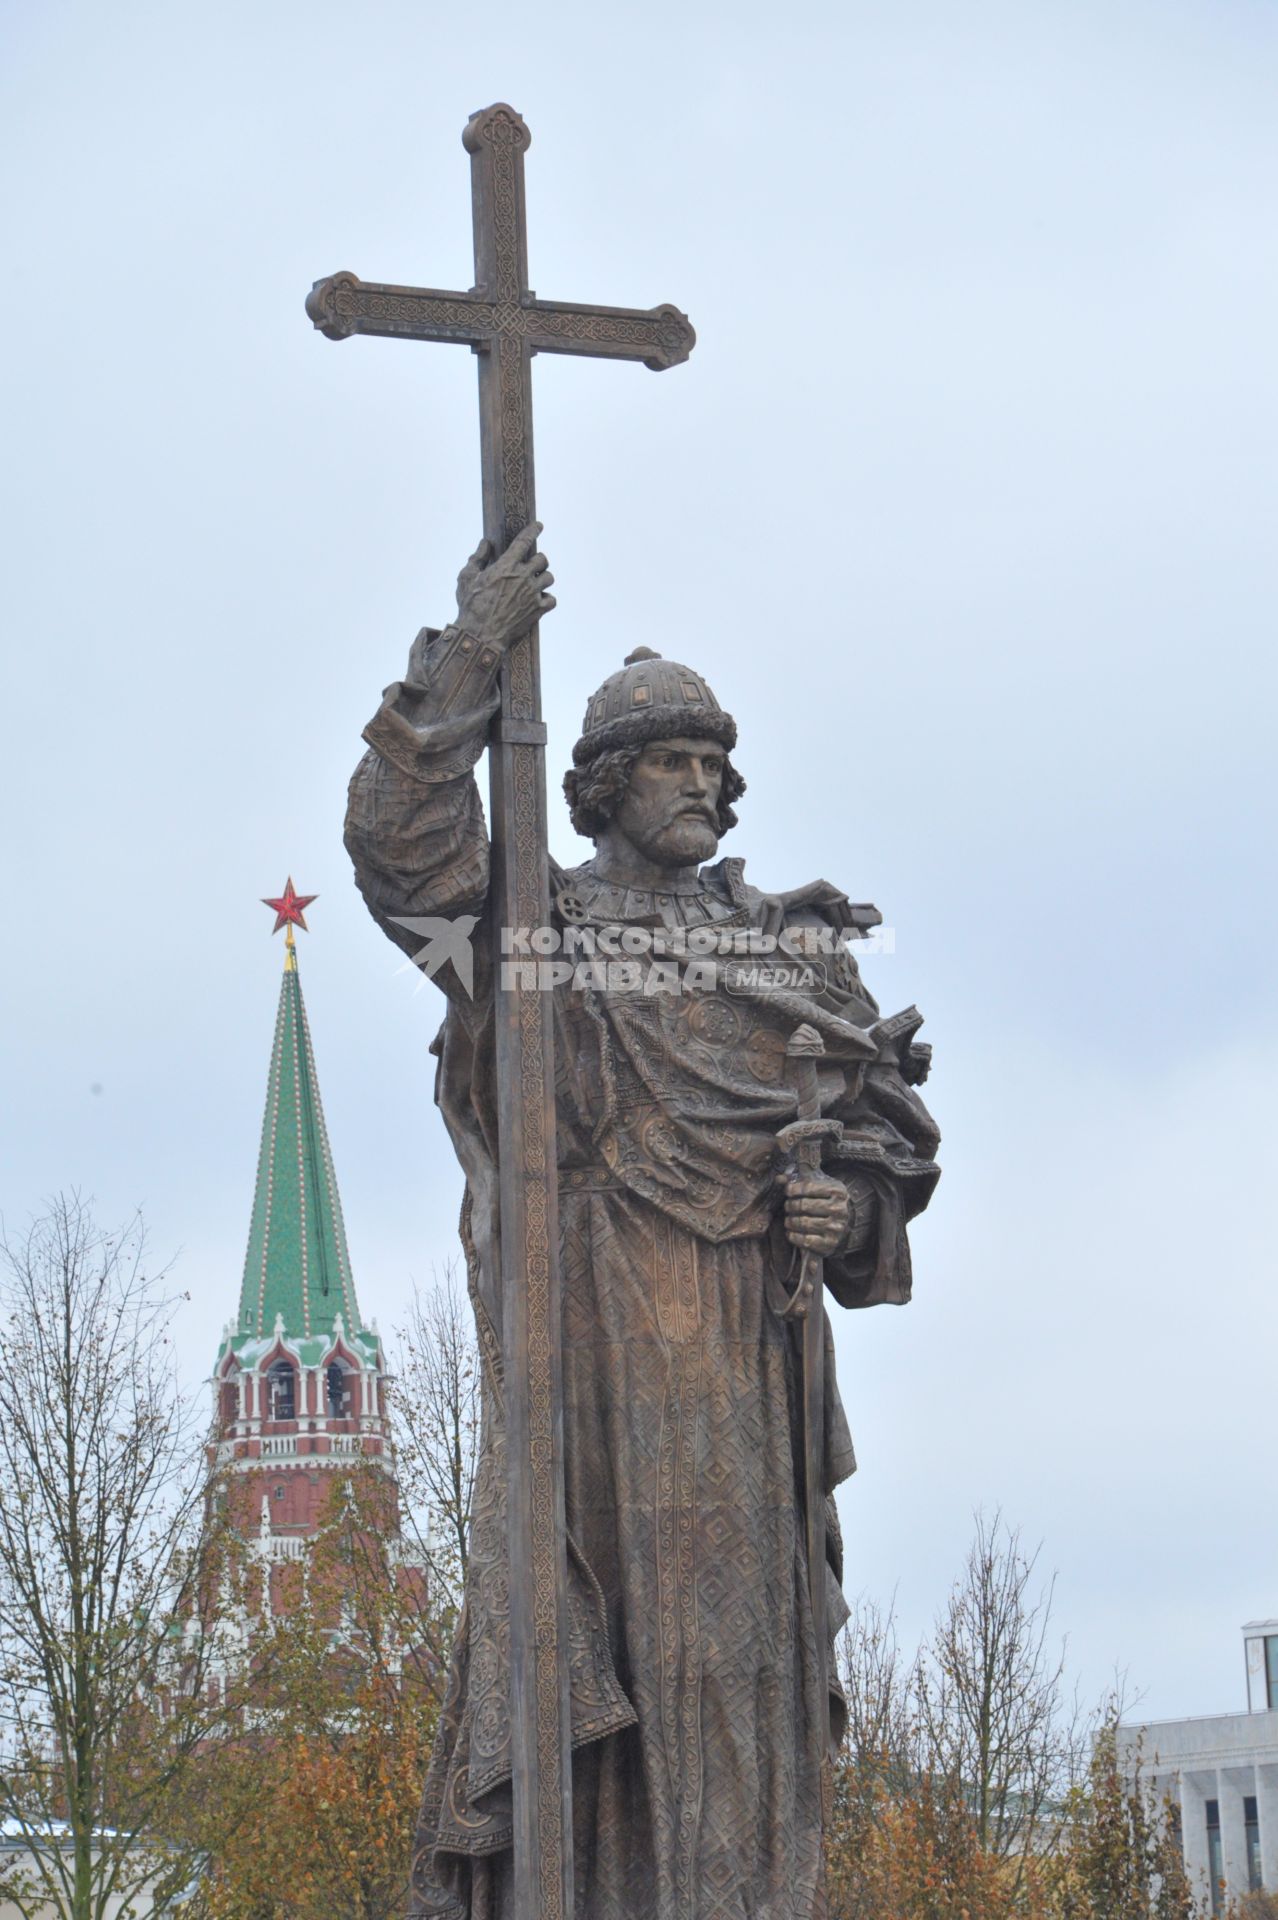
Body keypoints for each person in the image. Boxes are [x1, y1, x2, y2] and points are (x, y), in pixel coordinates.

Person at [344, 525, 940, 1920]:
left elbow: (884, 1153)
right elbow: (403, 857)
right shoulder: (532, 928)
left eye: (714, 766)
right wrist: (468, 659)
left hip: (744, 1373)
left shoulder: (787, 958)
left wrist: (839, 1207)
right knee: (588, 1665)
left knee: (741, 1676)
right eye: (672, 761)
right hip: (591, 1360)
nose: (704, 788)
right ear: (604, 782)